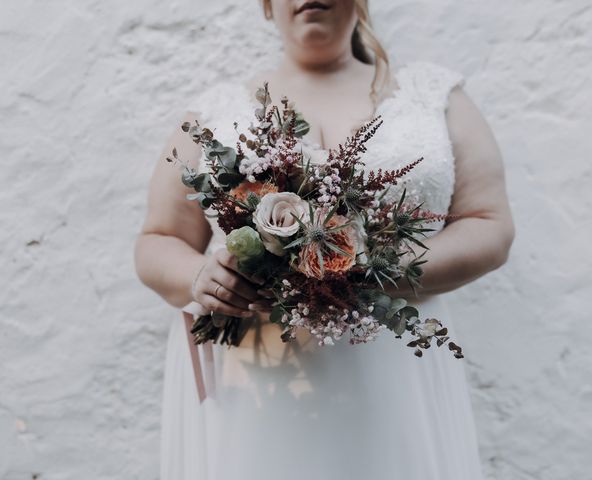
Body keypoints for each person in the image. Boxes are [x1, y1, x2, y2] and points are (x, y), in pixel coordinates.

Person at [134, 0, 515, 478]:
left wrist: (373, 264)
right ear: (268, 5)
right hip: (257, 383)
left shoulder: (433, 94)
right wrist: (200, 277)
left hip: (393, 371)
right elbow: (157, 239)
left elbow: (490, 224)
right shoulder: (215, 113)